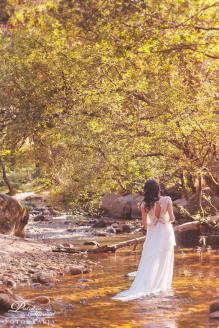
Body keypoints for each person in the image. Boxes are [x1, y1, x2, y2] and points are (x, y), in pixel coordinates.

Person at [112, 179, 176, 301]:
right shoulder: (167, 200)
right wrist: (164, 219)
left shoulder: (143, 205)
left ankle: (147, 284)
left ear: (146, 191)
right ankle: (162, 286)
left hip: (152, 234)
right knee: (164, 258)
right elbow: (172, 218)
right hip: (165, 232)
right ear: (158, 189)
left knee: (149, 260)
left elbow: (145, 225)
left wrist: (154, 221)